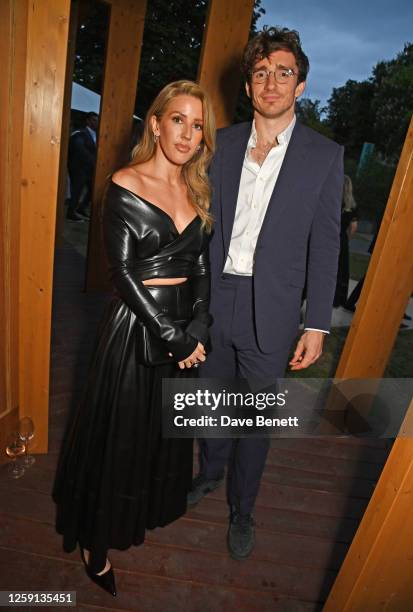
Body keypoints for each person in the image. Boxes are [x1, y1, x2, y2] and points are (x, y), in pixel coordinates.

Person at [53, 80, 215, 596]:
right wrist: (173, 336)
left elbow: (202, 267)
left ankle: (137, 512)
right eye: (178, 120)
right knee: (117, 440)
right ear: (155, 122)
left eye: (197, 126)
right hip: (135, 331)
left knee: (157, 437)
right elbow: (121, 273)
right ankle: (93, 544)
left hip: (184, 334)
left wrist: (200, 327)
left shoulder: (197, 189)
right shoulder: (125, 182)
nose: (187, 135)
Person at [188, 27, 344, 560]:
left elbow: (326, 247)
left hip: (273, 311)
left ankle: (243, 507)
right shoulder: (223, 143)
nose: (271, 82)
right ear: (248, 86)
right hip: (214, 301)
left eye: (283, 72)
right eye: (260, 73)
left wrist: (317, 324)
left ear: (300, 85)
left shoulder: (324, 156)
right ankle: (208, 472)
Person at [67, 111, 98, 221]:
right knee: (77, 190)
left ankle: (81, 208)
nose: (96, 123)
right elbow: (80, 150)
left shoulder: (96, 134)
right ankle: (70, 213)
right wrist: (95, 161)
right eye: (94, 120)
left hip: (89, 169)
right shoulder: (80, 133)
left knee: (92, 190)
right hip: (78, 168)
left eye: (97, 120)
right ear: (88, 121)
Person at [333, 175, 358, 307]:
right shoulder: (352, 206)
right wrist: (346, 238)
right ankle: (336, 299)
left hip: (329, 237)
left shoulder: (332, 202)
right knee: (340, 270)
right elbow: (353, 227)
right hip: (341, 240)